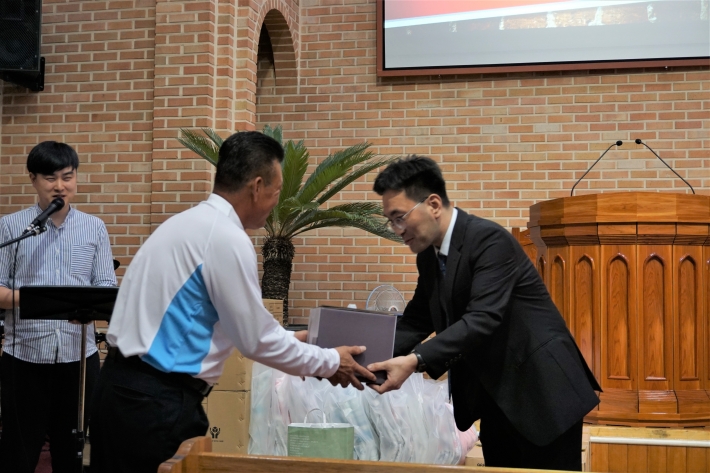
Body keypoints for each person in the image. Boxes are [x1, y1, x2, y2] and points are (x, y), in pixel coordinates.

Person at [89, 131, 376, 473]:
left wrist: (296, 341)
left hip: (122, 389)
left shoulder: (184, 224)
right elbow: (256, 339)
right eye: (276, 192)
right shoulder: (225, 237)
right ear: (257, 186)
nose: (275, 202)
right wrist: (330, 362)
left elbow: (223, 322)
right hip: (155, 401)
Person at [368, 156, 601, 471]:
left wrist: (415, 360)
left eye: (399, 217)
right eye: (390, 221)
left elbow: (483, 318)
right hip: (497, 397)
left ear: (433, 204)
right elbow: (416, 322)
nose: (396, 230)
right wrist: (357, 355)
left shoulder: (488, 239)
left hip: (542, 392)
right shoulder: (428, 257)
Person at [0, 141, 117, 473]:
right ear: (33, 179)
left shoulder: (94, 227)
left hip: (78, 357)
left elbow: (106, 286)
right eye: (50, 178)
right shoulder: (12, 227)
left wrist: (88, 307)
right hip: (25, 355)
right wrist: (37, 300)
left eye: (67, 177)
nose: (60, 186)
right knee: (19, 453)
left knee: (72, 453)